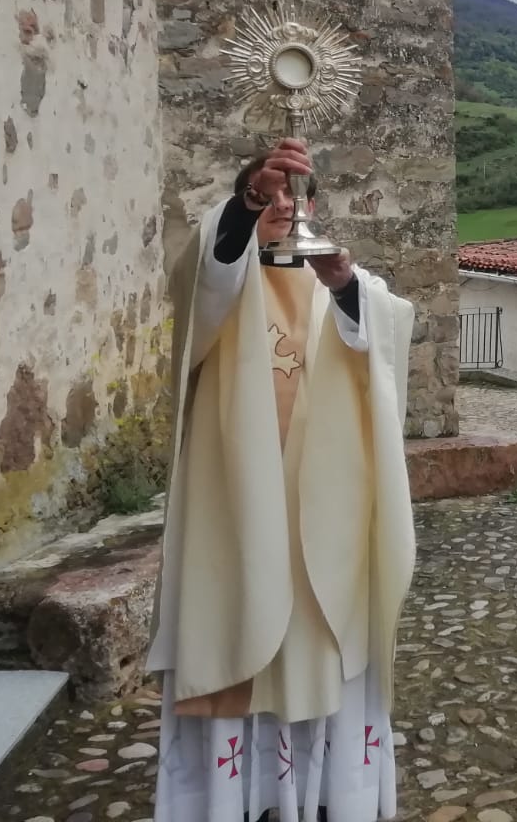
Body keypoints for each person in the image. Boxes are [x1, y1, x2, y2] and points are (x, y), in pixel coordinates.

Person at [147, 137, 416, 822]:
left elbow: (388, 334)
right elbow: (207, 274)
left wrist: (348, 289)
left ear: (316, 208)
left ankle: (326, 797)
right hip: (242, 514)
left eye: (295, 196)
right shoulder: (223, 281)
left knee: (323, 653)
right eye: (269, 195)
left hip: (329, 523)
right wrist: (244, 200)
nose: (282, 207)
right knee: (242, 634)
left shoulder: (346, 281)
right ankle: (241, 802)